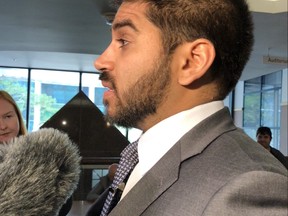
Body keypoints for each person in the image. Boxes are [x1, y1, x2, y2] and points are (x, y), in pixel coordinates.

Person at [94, 0, 287, 215]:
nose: (101, 61)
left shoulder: (247, 189)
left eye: (123, 41)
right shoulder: (138, 157)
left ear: (192, 61)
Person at [0, 90, 76, 216]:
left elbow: (65, 204)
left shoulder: (41, 153)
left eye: (8, 116)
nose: (3, 126)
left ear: (18, 117)